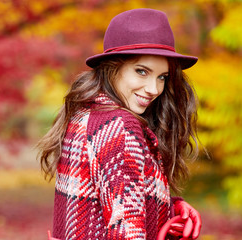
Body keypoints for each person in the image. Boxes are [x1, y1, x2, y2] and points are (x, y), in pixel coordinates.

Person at [38, 8, 202, 240]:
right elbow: (128, 231)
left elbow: (106, 199)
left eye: (162, 77)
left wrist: (170, 207)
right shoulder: (120, 126)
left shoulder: (86, 115)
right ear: (112, 67)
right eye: (141, 71)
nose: (154, 89)